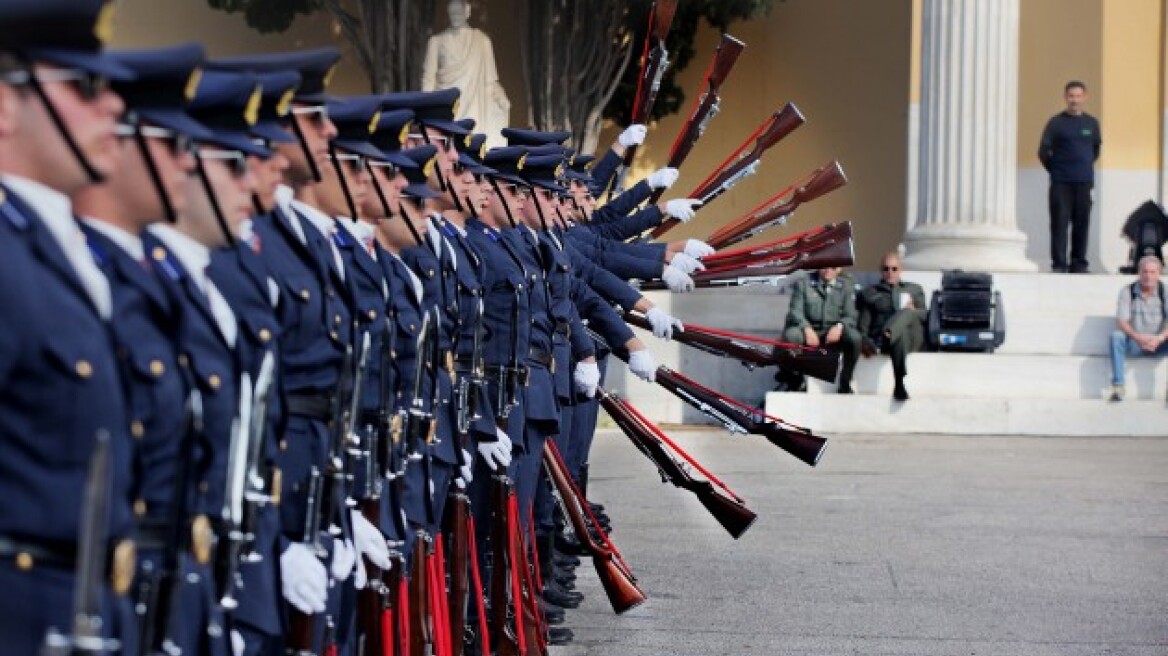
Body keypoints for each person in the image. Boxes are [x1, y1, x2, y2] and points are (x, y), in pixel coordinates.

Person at [421, 0, 510, 146]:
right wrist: (424, 109)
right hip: (447, 108)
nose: (455, 16)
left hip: (475, 107)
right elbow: (428, 80)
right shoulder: (436, 41)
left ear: (467, 12)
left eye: (458, 12)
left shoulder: (482, 41)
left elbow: (490, 81)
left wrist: (500, 96)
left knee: (473, 148)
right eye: (452, 13)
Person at [1039, 80, 1101, 274]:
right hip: (1061, 183)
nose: (1074, 100)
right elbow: (1043, 152)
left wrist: (1083, 168)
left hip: (1084, 182)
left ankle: (1079, 264)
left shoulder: (1092, 123)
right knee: (1059, 223)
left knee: (1082, 223)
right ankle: (1059, 264)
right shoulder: (1056, 123)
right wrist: (1057, 170)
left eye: (1078, 96)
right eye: (1071, 96)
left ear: (1085, 97)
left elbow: (1095, 150)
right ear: (1065, 98)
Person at [857, 252, 927, 401]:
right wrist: (865, 341)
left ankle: (889, 332)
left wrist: (913, 311)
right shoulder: (870, 293)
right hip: (889, 343)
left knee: (907, 313)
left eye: (894, 269)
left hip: (912, 339)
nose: (890, 272)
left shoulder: (914, 289)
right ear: (881, 271)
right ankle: (899, 384)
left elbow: (925, 315)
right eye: (886, 269)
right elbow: (863, 325)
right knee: (899, 336)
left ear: (901, 270)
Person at [781, 266, 861, 393]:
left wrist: (840, 326)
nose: (828, 270)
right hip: (810, 330)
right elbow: (795, 311)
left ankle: (845, 381)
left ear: (839, 269)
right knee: (791, 335)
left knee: (854, 338)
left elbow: (851, 315)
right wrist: (806, 328)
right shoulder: (804, 283)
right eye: (825, 266)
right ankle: (797, 380)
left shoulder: (845, 286)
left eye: (833, 267)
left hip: (833, 332)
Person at [1108, 255, 1168, 401]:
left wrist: (1159, 338)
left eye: (1153, 272)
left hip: (1160, 343)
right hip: (1136, 342)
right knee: (1116, 337)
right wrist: (1138, 337)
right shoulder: (1127, 291)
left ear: (1159, 274)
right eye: (1145, 271)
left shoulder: (1165, 291)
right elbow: (1121, 321)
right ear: (1139, 273)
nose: (1148, 276)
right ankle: (1118, 386)